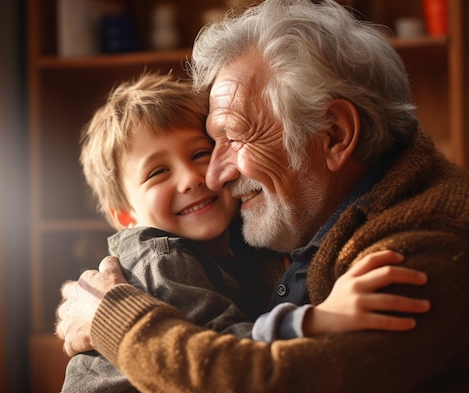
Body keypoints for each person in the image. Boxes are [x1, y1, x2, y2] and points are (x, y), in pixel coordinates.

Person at [61, 72, 431, 392]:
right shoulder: (162, 259)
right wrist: (320, 318)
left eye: (200, 154)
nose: (192, 178)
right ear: (125, 216)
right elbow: (220, 355)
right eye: (158, 173)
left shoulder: (239, 242)